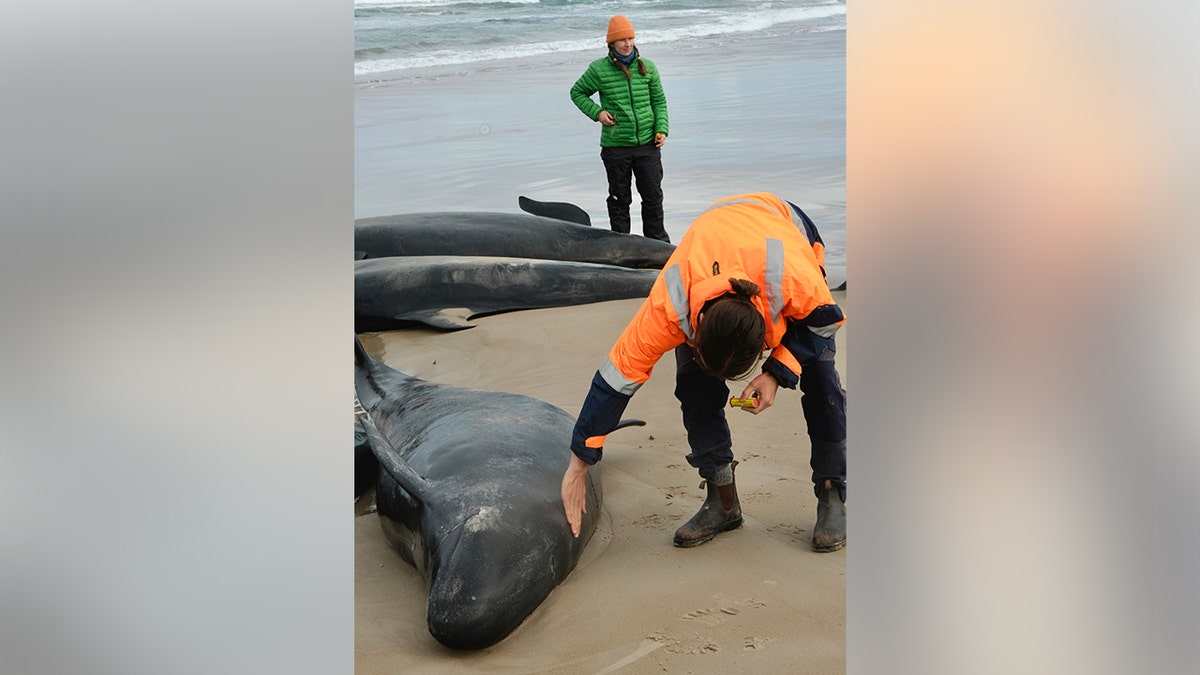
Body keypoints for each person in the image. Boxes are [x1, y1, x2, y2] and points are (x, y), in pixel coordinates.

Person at [559, 192, 848, 552]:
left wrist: (776, 371)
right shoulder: (671, 301)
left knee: (820, 381)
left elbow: (825, 323)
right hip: (714, 244)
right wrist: (579, 463)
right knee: (694, 388)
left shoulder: (793, 276)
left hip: (787, 227)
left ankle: (832, 493)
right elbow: (616, 379)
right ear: (694, 330)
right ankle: (722, 500)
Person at [570, 14, 671, 243]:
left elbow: (659, 102)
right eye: (622, 40)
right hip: (616, 147)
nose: (628, 44)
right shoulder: (598, 70)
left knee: (652, 197)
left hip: (648, 145)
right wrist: (597, 113)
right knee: (619, 199)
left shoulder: (648, 68)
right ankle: (620, 245)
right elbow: (577, 92)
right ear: (611, 44)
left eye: (630, 38)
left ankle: (658, 244)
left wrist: (662, 129)